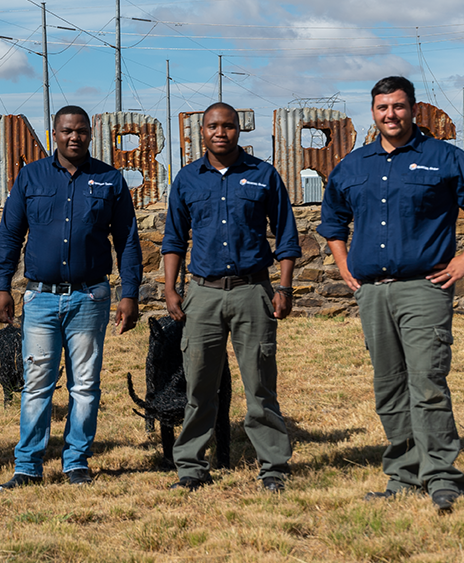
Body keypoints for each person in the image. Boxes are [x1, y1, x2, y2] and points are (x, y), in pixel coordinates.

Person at [318, 76, 464, 511]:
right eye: (383, 107)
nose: (391, 115)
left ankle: (441, 477)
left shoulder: (443, 158)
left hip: (424, 289)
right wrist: (344, 265)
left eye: (398, 107)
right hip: (373, 294)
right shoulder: (354, 164)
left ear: (413, 108)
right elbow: (332, 220)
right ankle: (403, 475)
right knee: (389, 387)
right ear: (373, 111)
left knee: (428, 383)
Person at [0, 105, 143, 492]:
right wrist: (1, 286)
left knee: (85, 385)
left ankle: (76, 462)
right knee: (37, 383)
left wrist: (130, 293)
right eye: (66, 131)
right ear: (54, 133)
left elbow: (126, 240)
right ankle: (27, 466)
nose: (73, 137)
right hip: (40, 300)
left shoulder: (109, 180)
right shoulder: (31, 177)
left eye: (80, 131)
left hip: (90, 299)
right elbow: (10, 234)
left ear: (90, 134)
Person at [161, 102, 298, 493]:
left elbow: (286, 237)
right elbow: (174, 239)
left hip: (252, 291)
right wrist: (171, 289)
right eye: (212, 126)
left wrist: (284, 287)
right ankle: (190, 466)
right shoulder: (187, 180)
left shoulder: (263, 175)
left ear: (240, 130)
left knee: (259, 384)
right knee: (199, 385)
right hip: (202, 294)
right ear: (200, 132)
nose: (220, 132)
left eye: (228, 126)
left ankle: (272, 467)